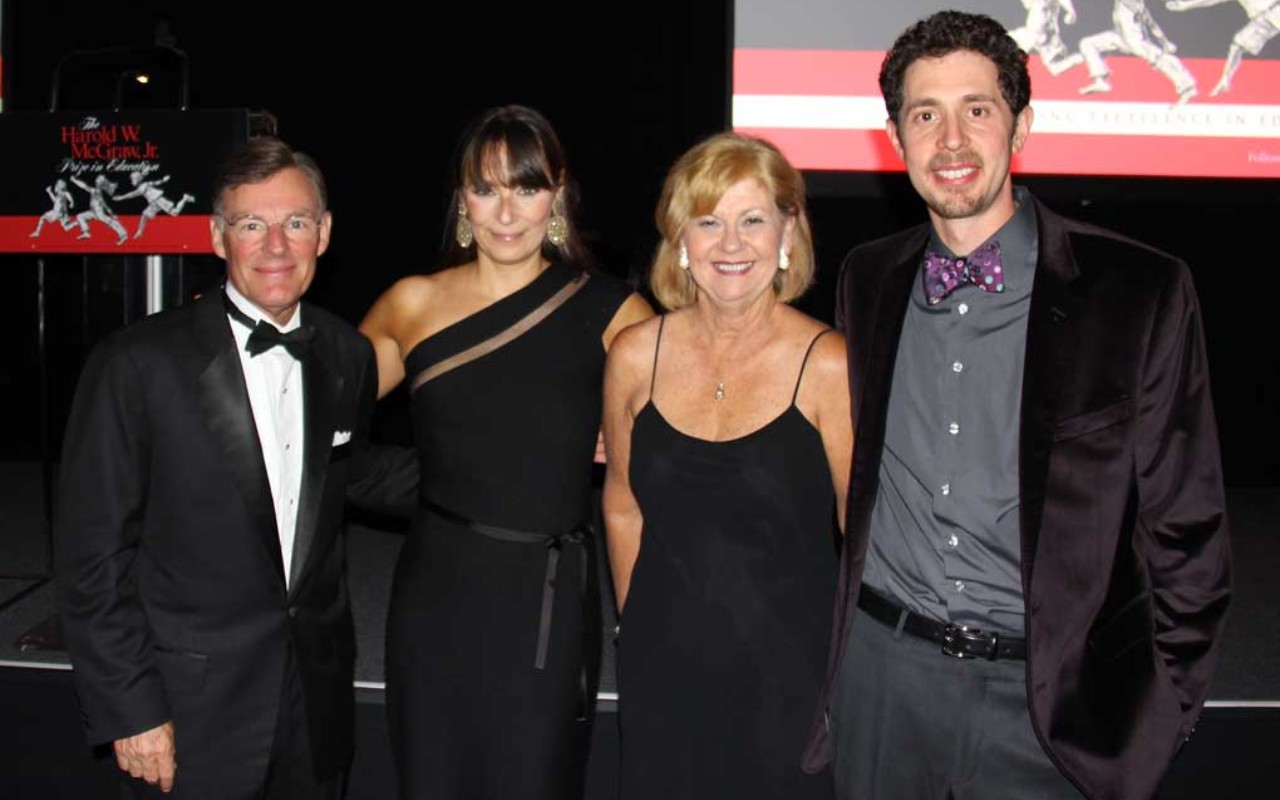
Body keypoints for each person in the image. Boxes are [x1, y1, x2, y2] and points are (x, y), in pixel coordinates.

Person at [801, 11, 1231, 800]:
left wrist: (1159, 718)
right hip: (884, 689)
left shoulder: (1139, 291)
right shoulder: (868, 278)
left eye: (979, 109)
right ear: (895, 139)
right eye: (925, 115)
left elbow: (1190, 531)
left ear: (1022, 125)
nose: (952, 140)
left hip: (1050, 710)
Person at [54, 136, 416, 799]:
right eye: (252, 224)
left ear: (325, 233)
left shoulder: (345, 353)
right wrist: (132, 710)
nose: (276, 246)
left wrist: (518, 461)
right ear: (218, 237)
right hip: (191, 711)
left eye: (295, 223)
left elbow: (349, 469)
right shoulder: (136, 364)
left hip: (317, 703)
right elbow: (91, 557)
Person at [358, 104, 654, 800]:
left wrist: (628, 438)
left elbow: (683, 449)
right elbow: (312, 429)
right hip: (438, 593)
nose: (506, 211)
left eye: (525, 187)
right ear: (463, 200)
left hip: (547, 603)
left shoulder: (613, 311)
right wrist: (437, 486)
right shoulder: (412, 303)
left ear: (557, 194)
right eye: (485, 188)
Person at [602, 132, 851, 799]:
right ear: (680, 242)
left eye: (752, 220)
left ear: (787, 235)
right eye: (708, 222)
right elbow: (622, 503)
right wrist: (639, 624)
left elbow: (868, 539)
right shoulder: (633, 355)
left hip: (790, 682)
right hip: (662, 671)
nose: (731, 244)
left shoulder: (828, 364)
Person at [1077, 0, 1198, 105]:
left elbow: (1150, 22)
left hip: (1135, 40)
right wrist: (1164, 42)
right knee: (1088, 43)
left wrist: (1165, 42)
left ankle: (1187, 88)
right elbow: (1151, 23)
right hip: (1120, 37)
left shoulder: (1133, 4)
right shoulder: (1131, 4)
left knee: (1162, 59)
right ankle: (1100, 81)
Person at [1166, 0, 1280, 97]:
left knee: (1238, 44)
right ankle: (1225, 80)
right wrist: (1185, 5)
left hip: (1275, 9)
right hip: (1263, 19)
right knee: (1238, 44)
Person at [115, 171, 198, 238]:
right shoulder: (145, 184)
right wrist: (163, 180)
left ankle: (185, 198)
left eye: (132, 179)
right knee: (144, 214)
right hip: (153, 203)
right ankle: (140, 232)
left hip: (158, 200)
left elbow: (132, 194)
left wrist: (121, 197)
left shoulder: (142, 187)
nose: (131, 181)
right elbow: (155, 183)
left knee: (175, 213)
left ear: (137, 179)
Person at [71, 173, 130, 244]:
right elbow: (103, 202)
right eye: (97, 179)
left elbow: (84, 186)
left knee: (110, 222)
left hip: (98, 212)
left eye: (98, 180)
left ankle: (123, 235)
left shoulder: (96, 191)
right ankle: (86, 233)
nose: (96, 180)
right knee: (80, 216)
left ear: (101, 183)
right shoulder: (97, 191)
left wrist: (74, 180)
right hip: (94, 212)